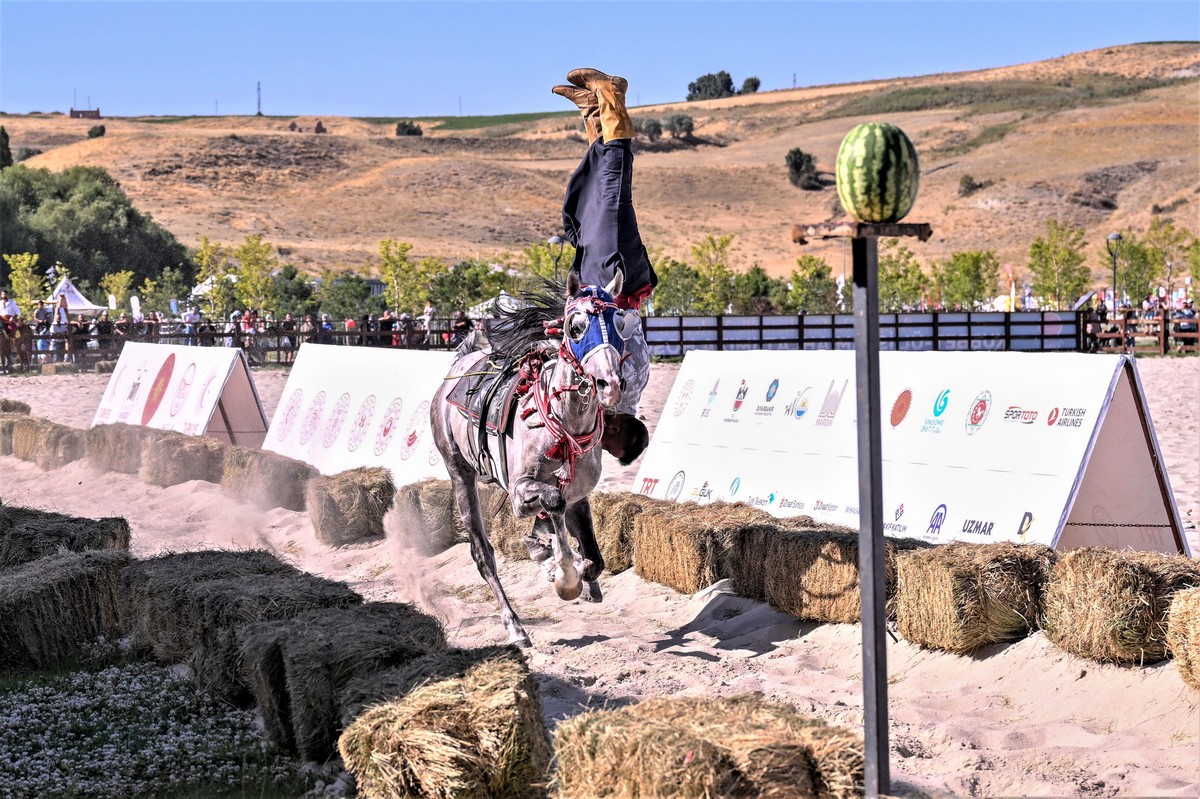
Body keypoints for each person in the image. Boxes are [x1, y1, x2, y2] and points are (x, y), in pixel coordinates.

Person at [552, 67, 657, 464]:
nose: (604, 449)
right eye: (612, 450)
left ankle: (593, 112)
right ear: (621, 431)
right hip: (619, 283)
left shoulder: (604, 406)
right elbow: (625, 336)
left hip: (605, 285)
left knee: (592, 205)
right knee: (612, 193)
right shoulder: (624, 389)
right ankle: (611, 97)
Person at [50, 295, 69, 362]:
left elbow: (65, 332)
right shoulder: (53, 325)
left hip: (62, 342)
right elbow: (53, 333)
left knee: (62, 355)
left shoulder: (63, 325)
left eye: (59, 319)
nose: (58, 320)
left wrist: (62, 334)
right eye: (57, 319)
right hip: (56, 342)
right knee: (56, 356)